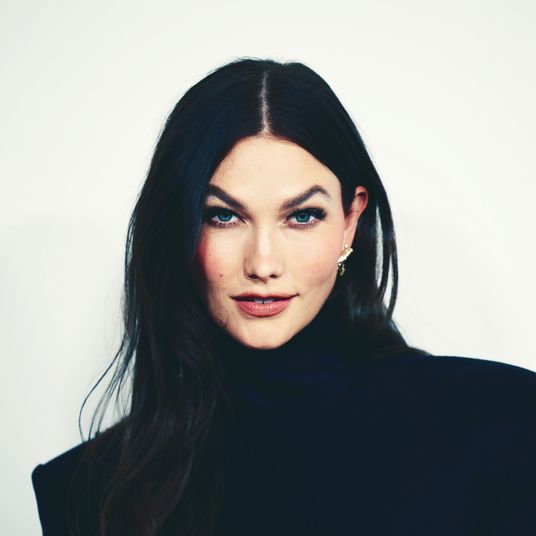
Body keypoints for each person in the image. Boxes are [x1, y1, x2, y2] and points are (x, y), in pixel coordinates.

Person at [31, 57, 536, 536]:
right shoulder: (86, 490)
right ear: (178, 228)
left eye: (302, 216)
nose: (263, 264)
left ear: (350, 222)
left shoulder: (503, 423)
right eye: (223, 216)